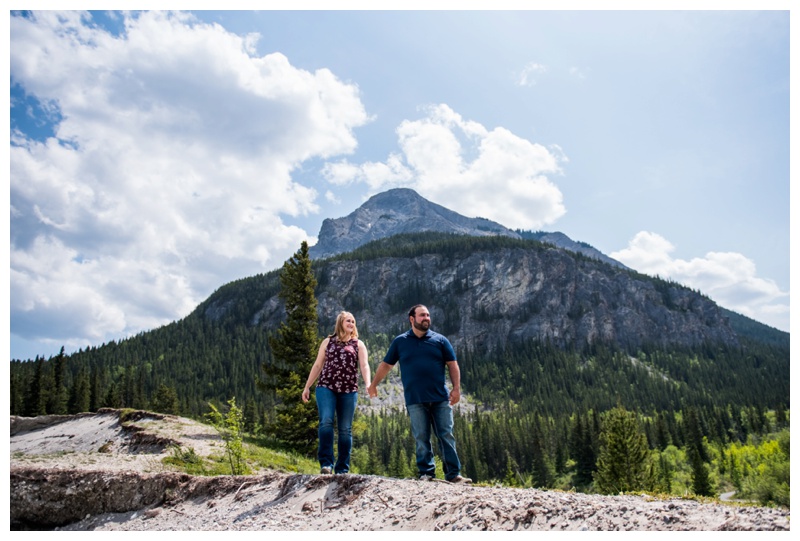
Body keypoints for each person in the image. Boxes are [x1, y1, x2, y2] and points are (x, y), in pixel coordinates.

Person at [368, 304, 472, 484]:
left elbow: (453, 364)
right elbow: (386, 365)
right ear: (412, 319)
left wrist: (456, 388)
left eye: (428, 315)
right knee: (421, 438)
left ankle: (453, 475)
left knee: (446, 435)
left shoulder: (440, 340)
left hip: (440, 398)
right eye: (422, 315)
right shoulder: (400, 342)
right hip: (415, 399)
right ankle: (427, 474)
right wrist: (374, 384)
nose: (427, 318)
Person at [302, 311, 371, 475]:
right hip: (326, 387)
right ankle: (326, 464)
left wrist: (368, 383)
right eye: (348, 320)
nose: (351, 324)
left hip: (349, 390)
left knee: (345, 429)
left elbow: (364, 365)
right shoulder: (328, 342)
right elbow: (318, 365)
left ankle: (342, 469)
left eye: (353, 321)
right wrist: (307, 387)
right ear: (340, 322)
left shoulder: (358, 344)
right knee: (326, 421)